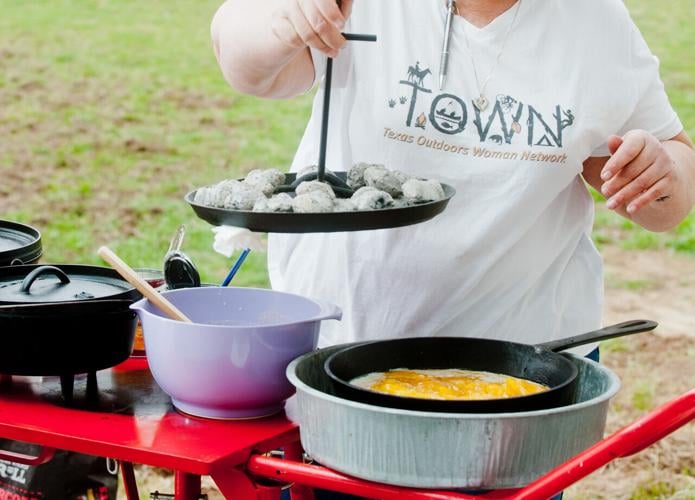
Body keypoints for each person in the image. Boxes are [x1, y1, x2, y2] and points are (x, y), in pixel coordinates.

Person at [211, 0, 694, 496]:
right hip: (342, 364)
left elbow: (667, 191)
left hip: (518, 383)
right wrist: (281, 21)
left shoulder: (595, 22)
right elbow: (239, 56)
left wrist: (662, 176)